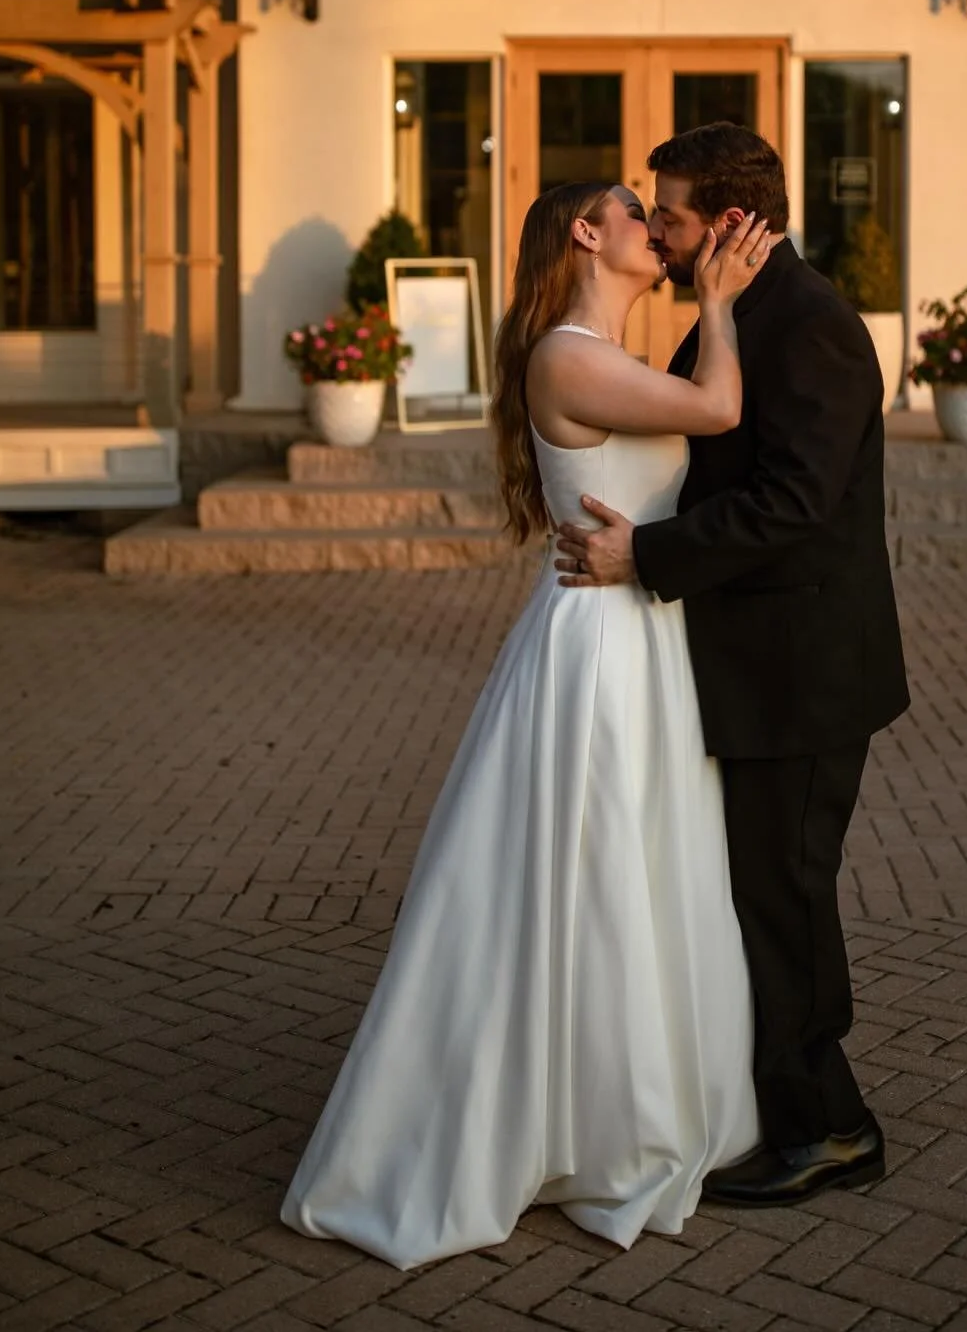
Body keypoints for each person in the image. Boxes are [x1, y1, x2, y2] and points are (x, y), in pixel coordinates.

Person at [281, 181, 774, 1270]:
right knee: (588, 876)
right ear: (585, 235)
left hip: (642, 634)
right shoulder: (566, 356)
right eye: (632, 210)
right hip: (597, 653)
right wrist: (721, 304)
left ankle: (603, 1112)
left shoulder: (609, 355)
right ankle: (565, 1128)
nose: (653, 226)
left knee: (635, 872)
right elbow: (718, 410)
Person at [556, 123, 911, 1207]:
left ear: (731, 222)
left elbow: (792, 504)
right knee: (757, 895)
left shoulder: (811, 327)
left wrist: (646, 556)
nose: (660, 234)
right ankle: (775, 1106)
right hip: (748, 667)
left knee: (785, 897)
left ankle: (832, 1129)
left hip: (802, 673)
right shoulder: (737, 317)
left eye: (669, 215)